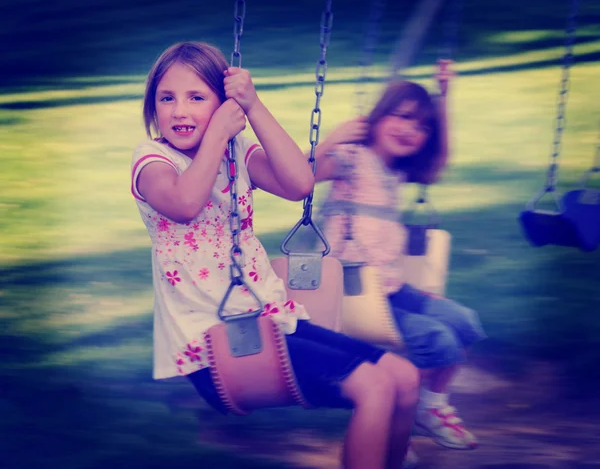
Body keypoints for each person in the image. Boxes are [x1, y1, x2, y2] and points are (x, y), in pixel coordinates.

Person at [131, 41, 423, 469]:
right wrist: (217, 132)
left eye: (197, 97)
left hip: (272, 319)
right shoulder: (153, 161)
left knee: (405, 378)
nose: (180, 111)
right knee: (375, 387)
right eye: (167, 98)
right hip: (214, 342)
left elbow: (299, 183)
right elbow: (185, 202)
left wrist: (253, 107)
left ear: (222, 103)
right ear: (152, 106)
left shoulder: (236, 152)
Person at [312, 60, 487, 452]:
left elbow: (438, 162)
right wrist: (333, 139)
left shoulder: (398, 171)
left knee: (465, 323)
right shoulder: (351, 158)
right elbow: (301, 178)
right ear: (377, 117)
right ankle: (396, 419)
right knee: (436, 340)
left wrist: (444, 96)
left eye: (421, 126)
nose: (411, 130)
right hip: (352, 293)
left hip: (390, 288)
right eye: (403, 117)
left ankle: (429, 404)